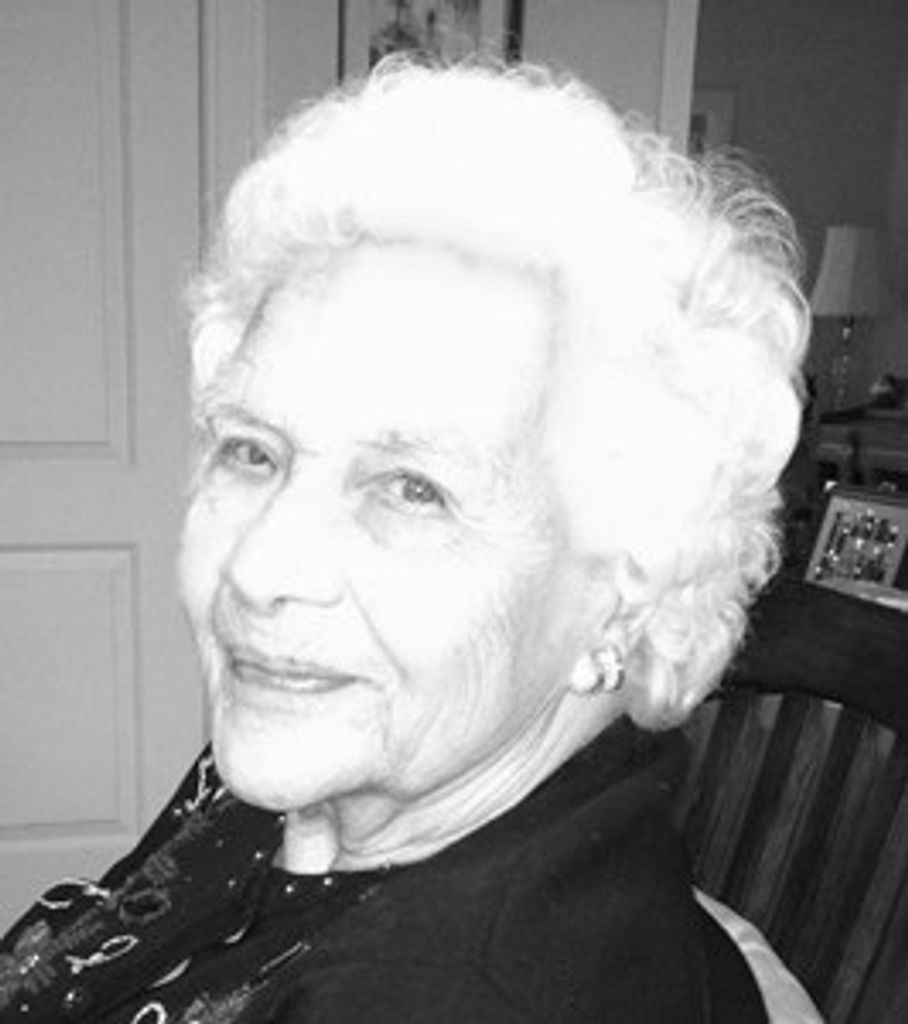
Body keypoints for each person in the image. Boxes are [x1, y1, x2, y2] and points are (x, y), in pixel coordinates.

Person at [0, 57, 808, 1022]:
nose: (259, 569)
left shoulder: (452, 991)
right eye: (252, 451)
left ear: (622, 596)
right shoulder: (345, 760)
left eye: (413, 489)